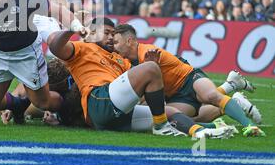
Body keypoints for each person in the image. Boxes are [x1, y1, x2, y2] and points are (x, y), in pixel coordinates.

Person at [113, 24, 265, 137]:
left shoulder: (148, 53)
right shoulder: (128, 62)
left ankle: (250, 126)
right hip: (176, 96)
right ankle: (227, 107)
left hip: (189, 78)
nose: (114, 46)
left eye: (116, 42)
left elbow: (147, 86)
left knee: (210, 96)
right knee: (177, 119)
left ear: (129, 41)